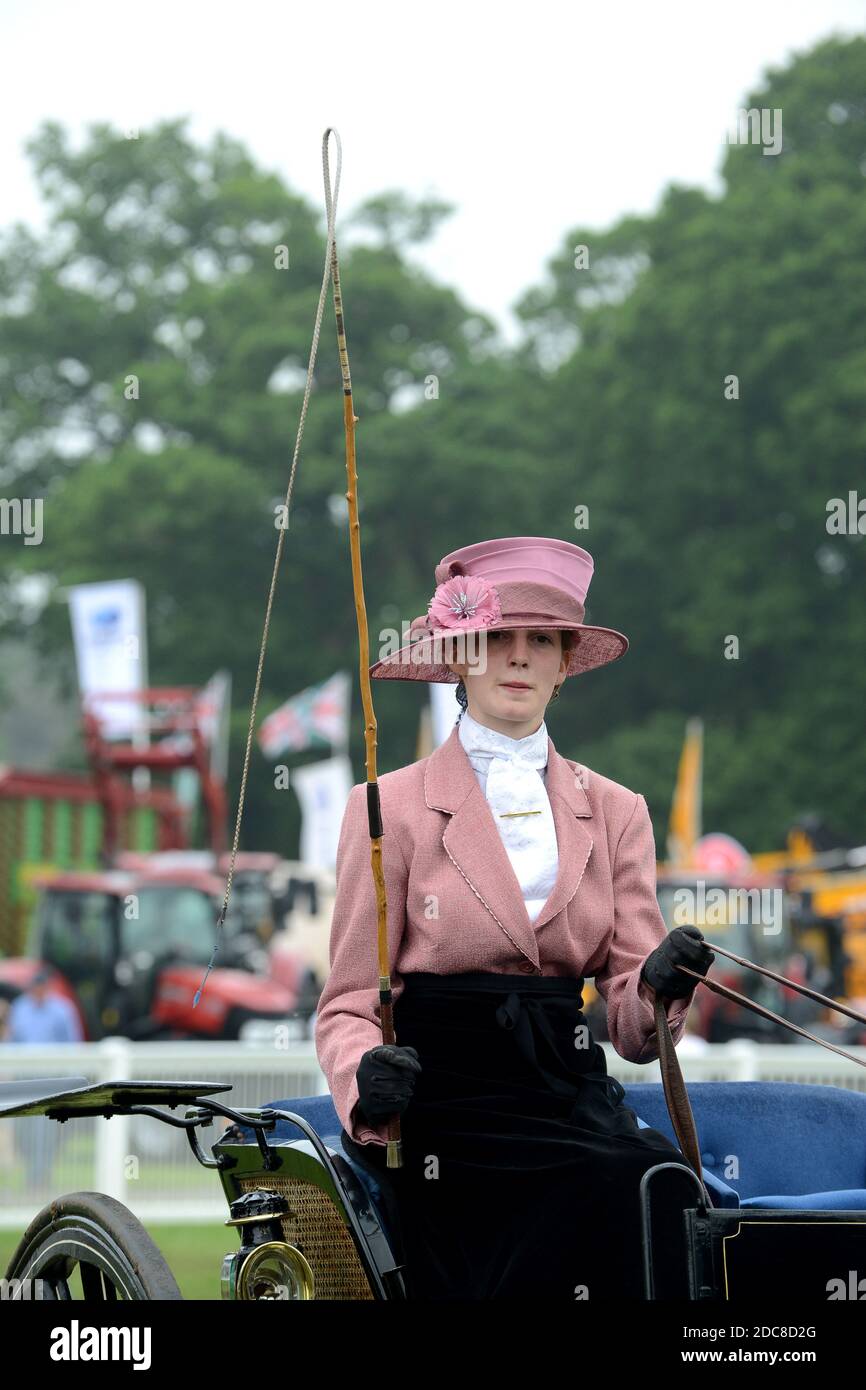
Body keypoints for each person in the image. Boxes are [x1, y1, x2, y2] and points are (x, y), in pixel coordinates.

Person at [314, 536, 714, 1300]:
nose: (520, 658)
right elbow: (348, 1002)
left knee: (657, 1186)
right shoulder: (385, 807)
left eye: (542, 642)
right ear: (461, 653)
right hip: (441, 1108)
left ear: (566, 665)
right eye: (499, 639)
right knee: (568, 1200)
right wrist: (366, 1077)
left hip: (566, 1088)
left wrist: (662, 983)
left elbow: (633, 1028)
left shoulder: (617, 810)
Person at [5, 967, 83, 1190]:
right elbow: (12, 1043)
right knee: (24, 1129)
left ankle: (41, 1175)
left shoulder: (62, 1009)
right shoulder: (20, 1008)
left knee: (45, 1129)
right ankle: (33, 1172)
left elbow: (73, 1045)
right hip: (24, 1077)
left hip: (51, 1077)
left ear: (46, 987)